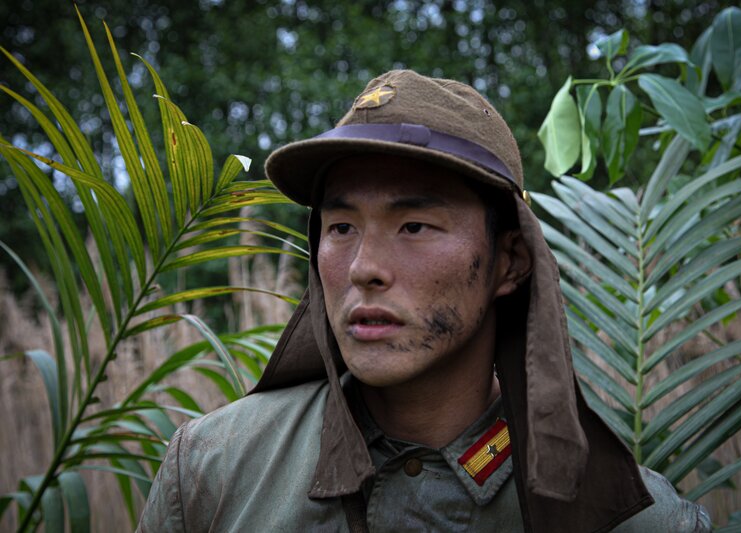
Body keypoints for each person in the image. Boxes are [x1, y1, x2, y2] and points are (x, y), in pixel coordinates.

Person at [137, 70, 711, 532]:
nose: (363, 269)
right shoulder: (214, 470)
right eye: (340, 228)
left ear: (509, 261)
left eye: (413, 226)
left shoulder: (631, 518)